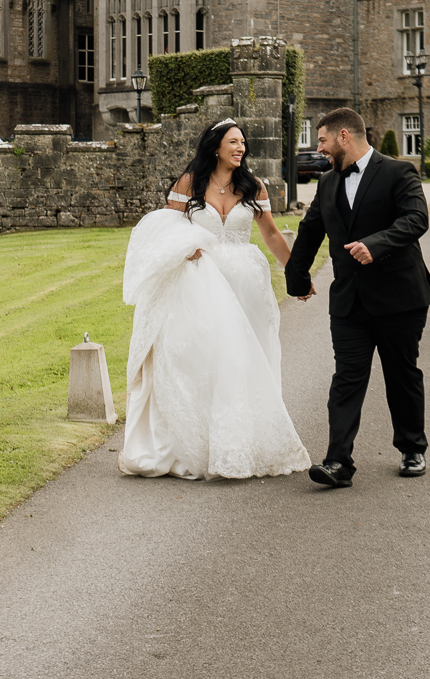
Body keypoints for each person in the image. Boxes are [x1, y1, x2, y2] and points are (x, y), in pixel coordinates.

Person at [118, 119, 311, 480]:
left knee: (245, 361)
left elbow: (270, 235)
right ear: (215, 146)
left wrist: (296, 276)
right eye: (233, 142)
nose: (240, 148)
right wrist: (184, 247)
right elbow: (165, 231)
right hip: (199, 284)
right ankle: (200, 442)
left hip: (246, 285)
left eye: (243, 143)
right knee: (204, 358)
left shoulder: (252, 186)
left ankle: (241, 442)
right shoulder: (189, 184)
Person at [285, 106, 430, 488]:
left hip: (399, 297)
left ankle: (412, 448)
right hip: (350, 301)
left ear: (343, 137)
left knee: (401, 375)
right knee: (347, 379)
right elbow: (309, 232)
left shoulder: (399, 172)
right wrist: (297, 278)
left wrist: (376, 244)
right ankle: (337, 462)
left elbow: (416, 219)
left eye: (321, 140)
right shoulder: (327, 183)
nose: (318, 148)